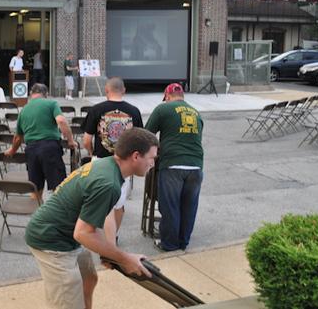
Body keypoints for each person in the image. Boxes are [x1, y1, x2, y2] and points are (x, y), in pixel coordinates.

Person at [25, 128, 158, 309]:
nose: (153, 163)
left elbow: (106, 213)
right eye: (152, 158)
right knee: (67, 300)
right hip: (51, 241)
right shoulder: (108, 182)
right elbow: (83, 234)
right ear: (136, 156)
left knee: (88, 278)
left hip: (67, 233)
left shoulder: (109, 167)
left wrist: (111, 253)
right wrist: (125, 258)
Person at [82, 77, 143, 241]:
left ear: (106, 90)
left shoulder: (96, 109)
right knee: (118, 204)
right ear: (124, 91)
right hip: (124, 163)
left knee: (100, 200)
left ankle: (100, 235)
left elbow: (86, 140)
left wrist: (91, 152)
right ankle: (113, 236)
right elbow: (139, 141)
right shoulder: (134, 111)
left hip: (100, 161)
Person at [145, 83, 204, 252]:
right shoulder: (196, 112)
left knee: (170, 206)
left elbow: (147, 134)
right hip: (196, 165)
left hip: (172, 164)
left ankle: (169, 245)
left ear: (168, 96)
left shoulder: (163, 109)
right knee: (189, 206)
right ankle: (183, 242)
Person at [4, 83, 77, 201]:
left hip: (31, 150)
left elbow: (18, 137)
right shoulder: (51, 103)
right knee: (58, 188)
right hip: (50, 148)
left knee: (35, 189)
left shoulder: (24, 110)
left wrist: (12, 150)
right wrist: (70, 141)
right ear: (46, 94)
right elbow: (61, 121)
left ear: (31, 94)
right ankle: (58, 217)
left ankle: (38, 216)